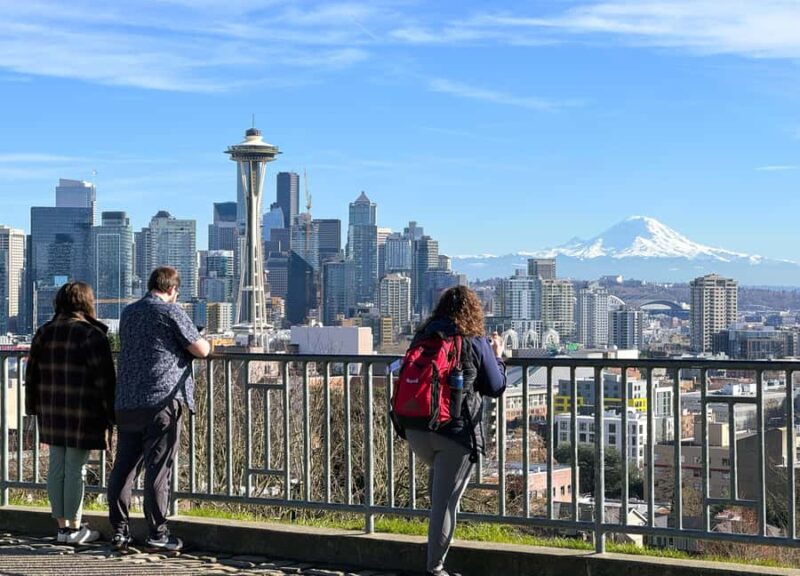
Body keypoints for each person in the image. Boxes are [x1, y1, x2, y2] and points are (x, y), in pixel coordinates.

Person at [403, 286, 506, 576]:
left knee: (441, 494)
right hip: (455, 433)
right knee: (445, 504)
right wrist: (498, 355)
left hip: (416, 427)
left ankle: (437, 562)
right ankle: (435, 569)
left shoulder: (424, 336)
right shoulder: (474, 340)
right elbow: (495, 385)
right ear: (474, 310)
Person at [107, 266, 210, 551]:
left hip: (127, 401)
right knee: (158, 469)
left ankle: (119, 531)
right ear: (172, 290)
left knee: (124, 468)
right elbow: (201, 350)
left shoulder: (128, 313)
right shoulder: (171, 311)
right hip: (161, 401)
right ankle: (158, 534)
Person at [25, 281, 116, 545]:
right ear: (87, 302)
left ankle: (62, 526)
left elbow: (32, 376)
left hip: (51, 409)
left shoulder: (44, 332)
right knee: (76, 468)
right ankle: (74, 528)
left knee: (57, 466)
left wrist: (33, 408)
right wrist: (111, 415)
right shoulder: (91, 335)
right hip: (82, 410)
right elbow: (105, 380)